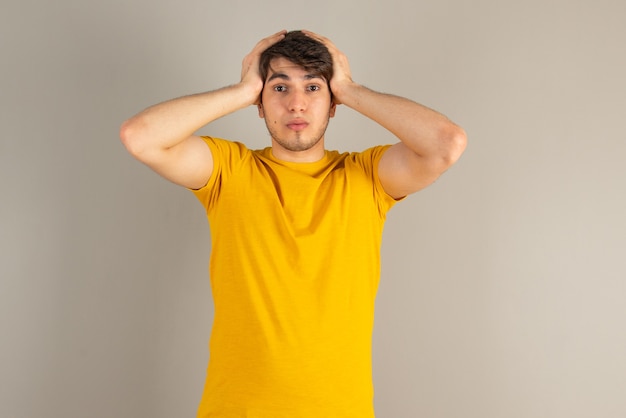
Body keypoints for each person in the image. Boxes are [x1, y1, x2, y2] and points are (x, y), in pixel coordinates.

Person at [120, 29, 466, 418]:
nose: (297, 104)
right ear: (260, 102)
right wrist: (241, 89)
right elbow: (140, 137)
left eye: (314, 88)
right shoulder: (230, 171)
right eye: (280, 88)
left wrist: (349, 89)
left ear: (333, 103)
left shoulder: (367, 177)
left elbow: (446, 144)